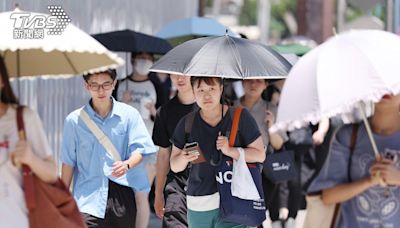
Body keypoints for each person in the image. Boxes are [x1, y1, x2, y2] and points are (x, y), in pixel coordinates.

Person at [61, 69, 157, 228]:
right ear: (86, 86)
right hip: (87, 199)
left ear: (114, 84)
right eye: (94, 85)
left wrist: (127, 164)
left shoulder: (129, 115)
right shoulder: (74, 121)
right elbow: (68, 162)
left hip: (122, 195)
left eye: (106, 84)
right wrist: (61, 201)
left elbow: (141, 149)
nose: (100, 90)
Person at [170, 77, 265, 228]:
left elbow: (260, 154)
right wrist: (183, 157)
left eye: (211, 89)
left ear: (221, 89)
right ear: (193, 92)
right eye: (200, 90)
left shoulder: (240, 116)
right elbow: (174, 166)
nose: (206, 95)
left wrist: (230, 151)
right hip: (199, 204)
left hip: (235, 198)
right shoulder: (187, 123)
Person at [309, 93, 400, 227]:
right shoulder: (348, 135)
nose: (386, 90)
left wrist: (397, 177)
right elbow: (328, 196)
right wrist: (369, 181)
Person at [0, 55, 57, 227]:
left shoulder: (24, 119)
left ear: (3, 80)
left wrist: (31, 158)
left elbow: (52, 173)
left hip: (18, 221)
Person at [113, 51, 158, 228]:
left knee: (141, 195)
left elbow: (163, 118)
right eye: (141, 58)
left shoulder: (155, 85)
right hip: (125, 148)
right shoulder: (122, 85)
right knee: (126, 195)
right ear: (132, 60)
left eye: (148, 58)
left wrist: (154, 111)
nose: (144, 62)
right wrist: (122, 103)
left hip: (148, 146)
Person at [153, 74, 196, 227]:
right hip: (177, 186)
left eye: (185, 74)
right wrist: (158, 193)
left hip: (208, 187)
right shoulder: (164, 112)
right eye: (175, 74)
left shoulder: (213, 108)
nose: (180, 78)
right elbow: (163, 155)